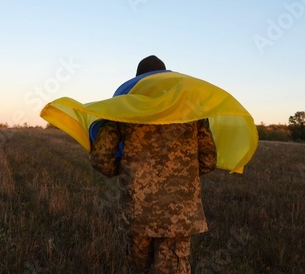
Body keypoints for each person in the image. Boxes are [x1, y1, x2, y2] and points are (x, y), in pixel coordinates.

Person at [90, 55, 217, 274]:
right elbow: (208, 160)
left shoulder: (123, 111)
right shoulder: (191, 112)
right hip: (178, 216)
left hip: (137, 211)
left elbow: (101, 156)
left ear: (138, 82)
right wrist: (182, 177)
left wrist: (127, 170)